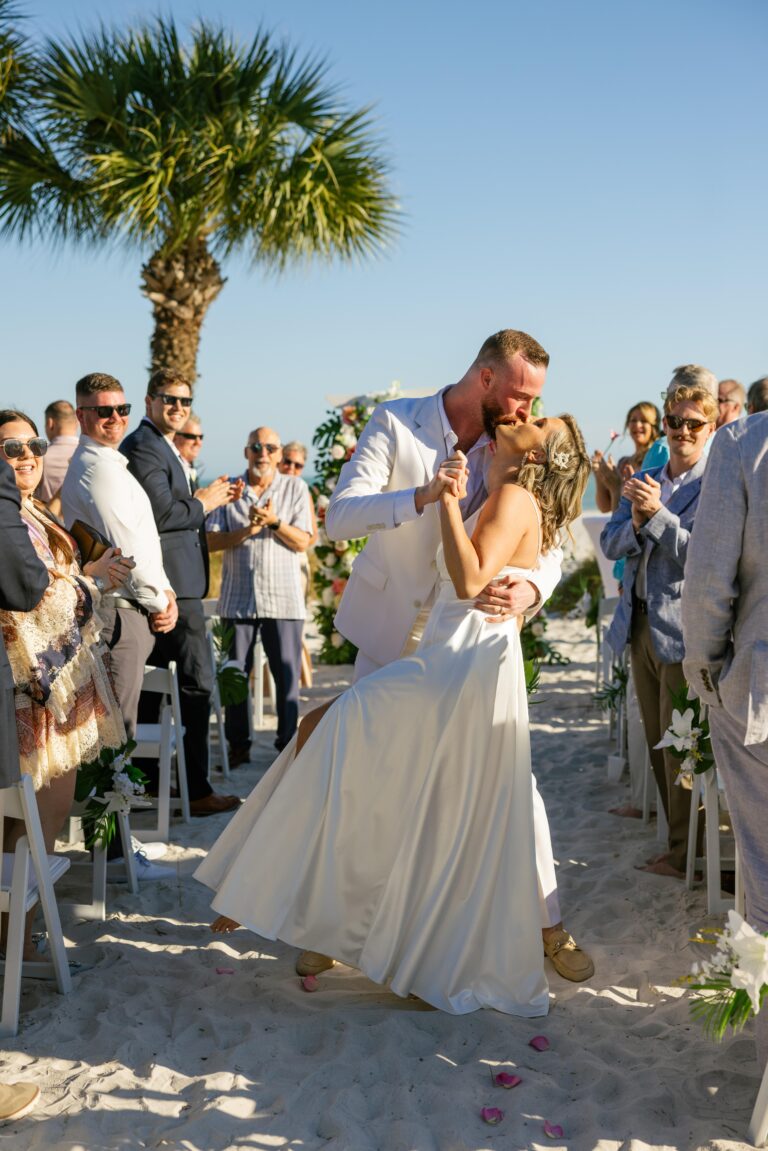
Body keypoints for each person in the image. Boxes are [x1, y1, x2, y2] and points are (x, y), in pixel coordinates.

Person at [197, 412, 591, 1015]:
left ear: (539, 457)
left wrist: (455, 506)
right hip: (445, 649)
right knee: (413, 789)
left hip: (462, 660)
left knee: (334, 734)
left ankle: (261, 890)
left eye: (537, 418)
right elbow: (352, 516)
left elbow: (474, 577)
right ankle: (318, 914)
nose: (523, 413)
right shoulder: (422, 433)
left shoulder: (513, 491)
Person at [321, 329, 593, 983]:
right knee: (365, 782)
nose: (528, 410)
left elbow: (552, 536)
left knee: (512, 787)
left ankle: (549, 925)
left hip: (471, 642)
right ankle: (332, 927)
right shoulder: (397, 423)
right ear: (486, 380)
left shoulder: (517, 453)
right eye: (523, 395)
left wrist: (531, 586)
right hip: (392, 637)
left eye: (537, 401)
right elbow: (340, 517)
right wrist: (422, 496)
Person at [0, 410, 131, 957]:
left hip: (61, 682)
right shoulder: (11, 517)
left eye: (32, 443)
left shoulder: (31, 509)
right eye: (10, 449)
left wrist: (90, 572)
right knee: (30, 814)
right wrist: (91, 579)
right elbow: (35, 596)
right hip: (31, 686)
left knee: (47, 812)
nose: (27, 455)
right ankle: (19, 942)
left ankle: (20, 934)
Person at [600, 383, 717, 878]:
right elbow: (610, 542)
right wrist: (640, 519)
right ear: (665, 425)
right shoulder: (646, 476)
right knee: (654, 740)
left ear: (710, 428)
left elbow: (703, 557)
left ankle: (686, 855)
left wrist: (658, 516)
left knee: (682, 749)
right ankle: (679, 850)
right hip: (638, 622)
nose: (683, 431)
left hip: (683, 631)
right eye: (676, 421)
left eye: (694, 423)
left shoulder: (716, 486)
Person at [681, 411, 768, 1068]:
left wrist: (706, 667)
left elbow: (708, 583)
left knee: (764, 870)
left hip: (762, 694)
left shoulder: (743, 442)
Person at [120, 368, 242, 817]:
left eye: (185, 402)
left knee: (158, 694)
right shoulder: (144, 447)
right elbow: (162, 514)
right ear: (150, 400)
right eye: (169, 399)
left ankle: (154, 787)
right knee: (195, 687)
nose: (177, 408)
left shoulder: (160, 445)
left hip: (177, 587)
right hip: (174, 589)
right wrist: (205, 502)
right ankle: (195, 790)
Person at [61, 373, 179, 743]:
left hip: (131, 607)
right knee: (115, 734)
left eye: (121, 409)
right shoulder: (97, 469)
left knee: (119, 728)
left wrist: (167, 593)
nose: (116, 417)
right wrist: (161, 601)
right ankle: (114, 803)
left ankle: (119, 801)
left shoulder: (109, 464)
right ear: (82, 416)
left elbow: (145, 541)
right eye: (104, 411)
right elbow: (125, 549)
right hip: (120, 611)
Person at [207, 427, 313, 762]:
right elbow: (209, 541)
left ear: (279, 454)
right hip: (237, 600)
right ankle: (238, 747)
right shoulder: (230, 491)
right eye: (256, 447)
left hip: (283, 601)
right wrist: (248, 531)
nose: (262, 453)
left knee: (286, 677)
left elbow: (304, 540)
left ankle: (288, 747)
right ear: (246, 452)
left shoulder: (296, 488)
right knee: (233, 677)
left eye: (269, 447)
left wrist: (273, 522)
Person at [591, 401, 661, 513]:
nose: (637, 425)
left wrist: (616, 488)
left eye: (643, 420)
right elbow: (604, 507)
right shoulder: (623, 462)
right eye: (633, 420)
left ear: (653, 426)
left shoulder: (655, 459)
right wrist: (599, 474)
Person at [35, 400, 79, 507]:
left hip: (51, 520)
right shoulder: (89, 454)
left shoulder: (39, 458)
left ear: (50, 423)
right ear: (77, 423)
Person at [174, 412, 204, 490]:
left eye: (200, 437)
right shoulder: (171, 469)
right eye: (191, 437)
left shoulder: (190, 467)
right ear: (175, 437)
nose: (198, 443)